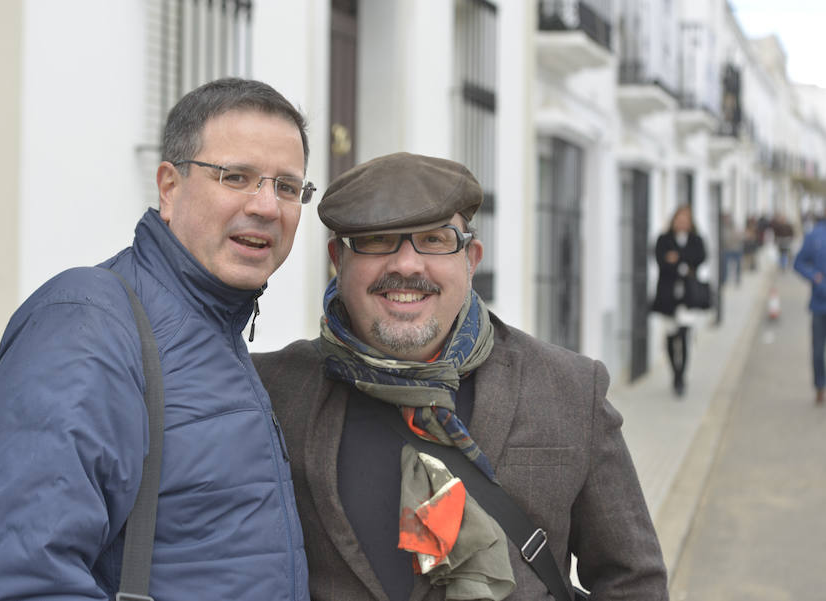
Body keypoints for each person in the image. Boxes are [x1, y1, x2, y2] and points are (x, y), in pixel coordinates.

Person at [0, 78, 314, 601]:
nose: (266, 206)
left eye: (287, 186)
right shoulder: (88, 322)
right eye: (236, 177)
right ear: (169, 188)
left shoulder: (216, 327)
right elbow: (22, 583)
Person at [253, 153, 668, 601]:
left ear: (471, 259)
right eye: (376, 240)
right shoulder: (273, 391)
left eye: (434, 239)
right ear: (339, 258)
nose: (408, 265)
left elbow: (633, 583)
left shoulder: (568, 388)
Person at [651, 205, 707, 397]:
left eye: (686, 219)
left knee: (684, 334)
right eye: (679, 218)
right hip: (667, 297)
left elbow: (700, 258)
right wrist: (682, 264)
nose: (682, 222)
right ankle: (674, 372)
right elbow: (661, 261)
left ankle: (680, 377)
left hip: (687, 296)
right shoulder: (663, 239)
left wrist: (678, 258)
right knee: (670, 336)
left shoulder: (696, 240)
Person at [793, 213, 826, 406]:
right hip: (819, 304)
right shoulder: (814, 236)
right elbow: (798, 263)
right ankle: (820, 385)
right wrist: (815, 277)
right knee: (818, 350)